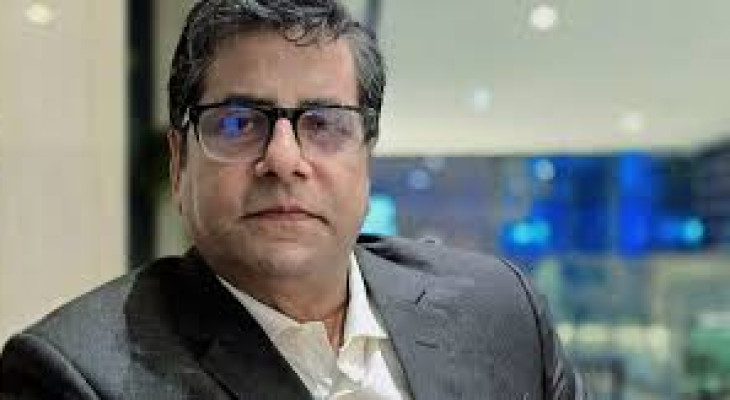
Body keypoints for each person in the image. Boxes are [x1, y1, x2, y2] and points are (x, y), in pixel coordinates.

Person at [0, 0, 588, 398]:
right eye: (238, 123)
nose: (284, 159)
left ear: (366, 157)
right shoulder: (74, 375)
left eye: (324, 123)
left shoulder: (501, 313)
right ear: (179, 164)